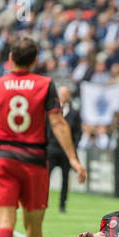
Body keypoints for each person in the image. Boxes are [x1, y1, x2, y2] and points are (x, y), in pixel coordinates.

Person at [0, 37, 87, 237]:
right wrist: (73, 159)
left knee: (5, 219)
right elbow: (58, 123)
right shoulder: (46, 84)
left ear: (11, 58)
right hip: (35, 161)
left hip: (4, 158)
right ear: (36, 59)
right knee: (33, 223)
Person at [47, 85, 82, 213]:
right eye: (61, 93)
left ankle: (62, 204)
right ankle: (43, 202)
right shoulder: (52, 110)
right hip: (52, 150)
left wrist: (73, 146)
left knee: (65, 179)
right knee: (46, 178)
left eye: (66, 94)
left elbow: (78, 132)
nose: (63, 96)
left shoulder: (74, 113)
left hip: (66, 152)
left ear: (69, 96)